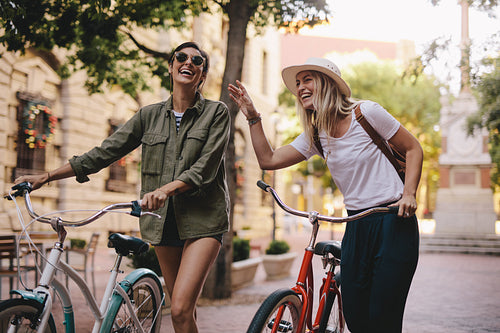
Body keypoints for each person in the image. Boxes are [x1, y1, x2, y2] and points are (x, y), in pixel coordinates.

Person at [15, 41, 230, 333]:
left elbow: (204, 169)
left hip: (204, 220)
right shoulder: (148, 115)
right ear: (171, 66)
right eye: (181, 57)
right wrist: (47, 176)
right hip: (161, 222)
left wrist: (165, 190)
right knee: (184, 313)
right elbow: (105, 152)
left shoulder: (216, 113)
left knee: (178, 308)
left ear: (202, 75)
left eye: (197, 60)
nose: (188, 62)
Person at [228, 57, 422, 333]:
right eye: (298, 83)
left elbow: (413, 148)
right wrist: (252, 116)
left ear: (328, 84)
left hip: (393, 220)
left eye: (308, 79)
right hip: (356, 224)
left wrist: (409, 194)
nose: (301, 87)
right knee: (355, 315)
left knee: (383, 317)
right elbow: (268, 159)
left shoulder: (365, 113)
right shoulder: (316, 134)